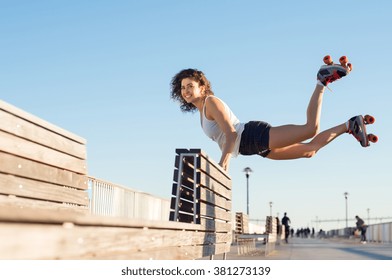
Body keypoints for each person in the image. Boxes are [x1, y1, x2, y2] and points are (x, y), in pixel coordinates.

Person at [170, 58, 367, 171]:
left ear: (203, 88)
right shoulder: (201, 112)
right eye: (183, 88)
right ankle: (349, 125)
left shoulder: (210, 102)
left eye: (190, 86)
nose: (186, 91)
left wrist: (223, 164)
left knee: (310, 129)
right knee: (309, 151)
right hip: (252, 147)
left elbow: (230, 134)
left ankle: (321, 81)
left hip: (252, 135)